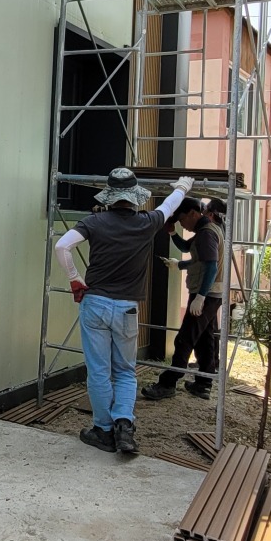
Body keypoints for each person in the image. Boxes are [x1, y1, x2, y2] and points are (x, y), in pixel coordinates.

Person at [55, 167, 194, 457]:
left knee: (99, 371)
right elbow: (169, 207)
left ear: (109, 196)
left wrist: (74, 278)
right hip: (127, 308)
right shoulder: (147, 222)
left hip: (95, 304)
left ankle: (103, 430)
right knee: (125, 371)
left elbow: (62, 246)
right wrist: (183, 186)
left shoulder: (94, 222)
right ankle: (124, 425)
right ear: (135, 198)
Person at [142, 198, 226, 401]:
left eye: (181, 220)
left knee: (184, 339)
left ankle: (167, 384)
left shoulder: (207, 234)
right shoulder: (207, 230)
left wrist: (200, 297)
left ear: (193, 213)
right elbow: (188, 249)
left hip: (206, 294)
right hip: (212, 293)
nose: (182, 225)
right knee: (204, 339)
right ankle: (203, 384)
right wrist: (172, 233)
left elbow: (211, 266)